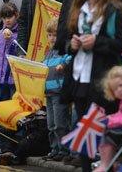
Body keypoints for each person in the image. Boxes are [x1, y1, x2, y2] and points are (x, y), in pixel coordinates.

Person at [61, 0, 122, 172]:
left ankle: (106, 166)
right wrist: (71, 45)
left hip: (102, 78)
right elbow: (66, 40)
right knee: (83, 128)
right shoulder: (78, 9)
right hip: (80, 76)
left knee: (102, 128)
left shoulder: (114, 10)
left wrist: (97, 42)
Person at [42, 17, 71, 162]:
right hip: (48, 93)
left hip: (59, 92)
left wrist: (64, 64)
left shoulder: (64, 50)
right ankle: (55, 148)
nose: (52, 38)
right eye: (50, 35)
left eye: (55, 35)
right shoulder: (48, 54)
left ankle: (64, 149)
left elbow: (70, 58)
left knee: (61, 123)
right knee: (51, 124)